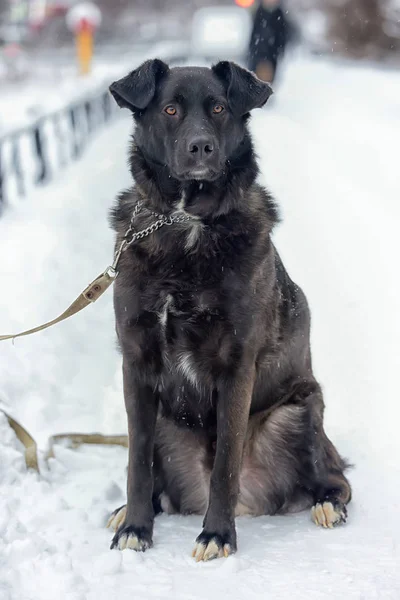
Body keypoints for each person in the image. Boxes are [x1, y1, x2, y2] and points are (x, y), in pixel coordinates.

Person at [248, 0, 292, 83]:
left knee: (268, 79)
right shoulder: (259, 12)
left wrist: (280, 49)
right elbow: (254, 33)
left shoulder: (279, 13)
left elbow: (282, 35)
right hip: (259, 52)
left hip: (272, 53)